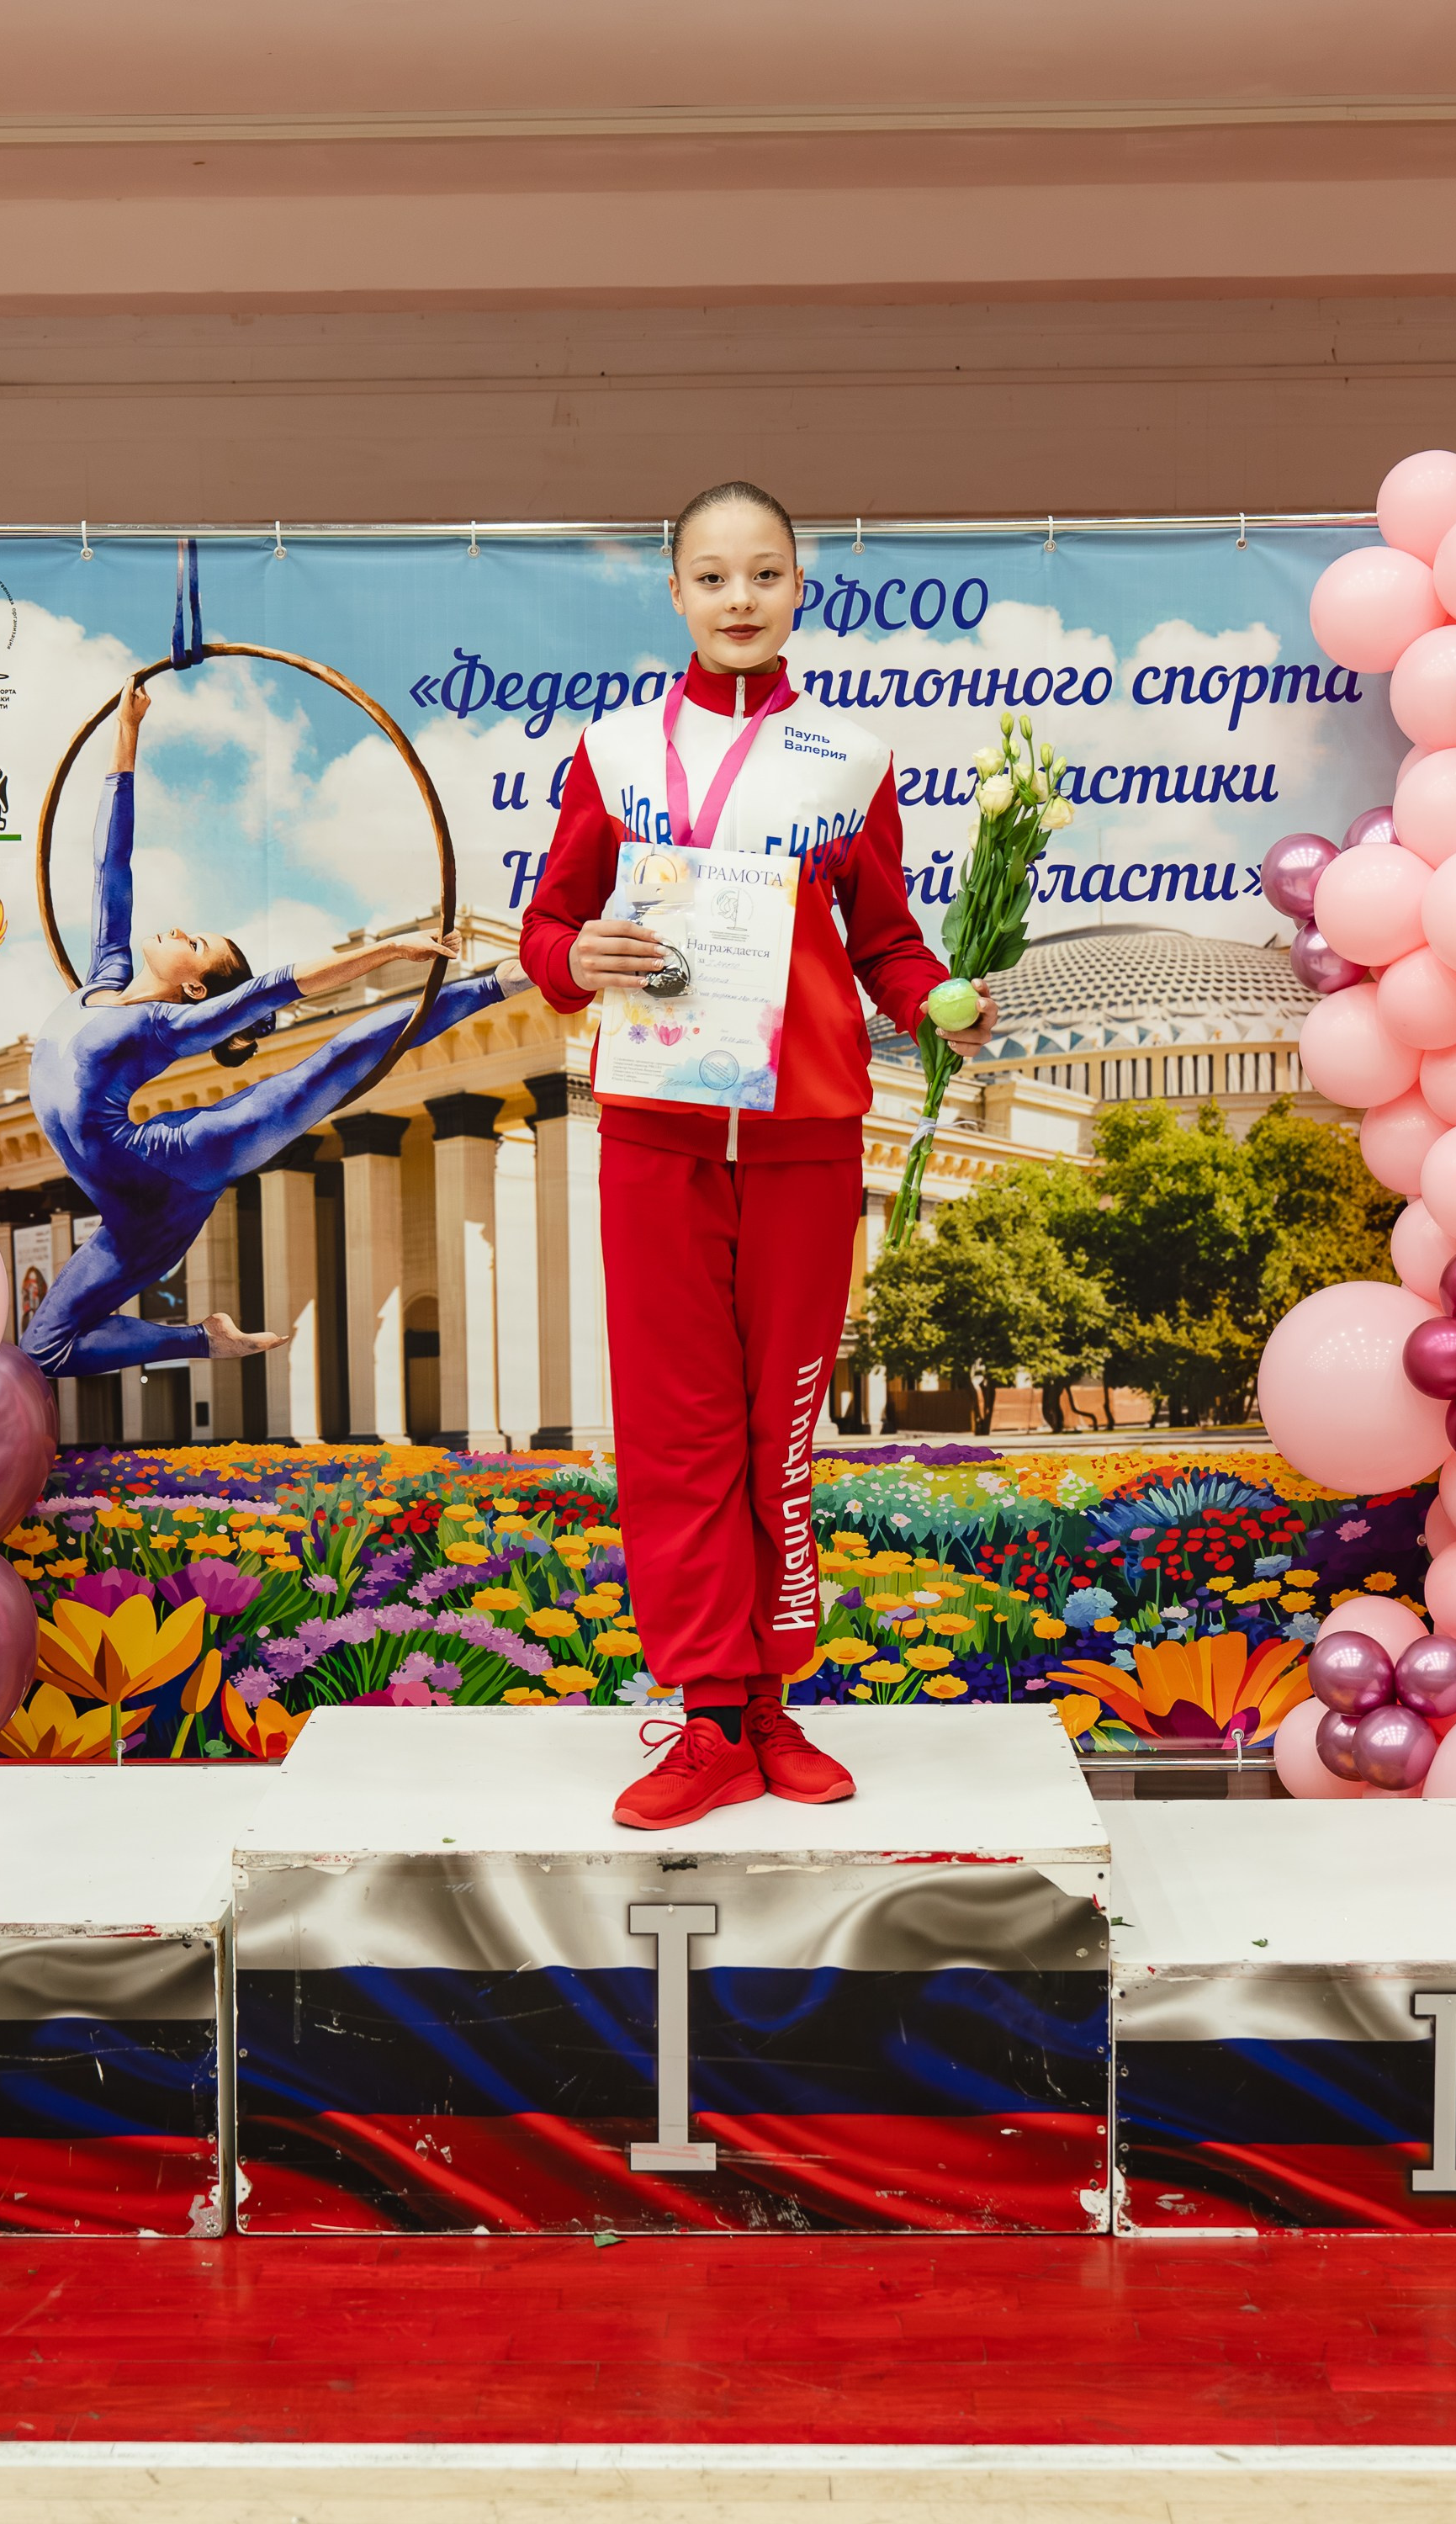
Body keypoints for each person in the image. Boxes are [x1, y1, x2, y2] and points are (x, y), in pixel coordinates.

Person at [521, 480, 994, 1829]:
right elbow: (549, 934)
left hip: (803, 1135)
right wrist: (579, 956)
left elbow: (888, 940)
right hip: (658, 1134)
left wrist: (936, 997)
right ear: (674, 593)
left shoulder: (849, 761)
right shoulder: (613, 753)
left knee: (777, 1434)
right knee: (677, 1435)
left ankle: (773, 1706)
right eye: (713, 577)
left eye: (765, 575)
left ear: (800, 591)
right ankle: (708, 1718)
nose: (740, 599)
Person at [24, 674, 529, 1381]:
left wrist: (387, 950)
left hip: (173, 1160)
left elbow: (276, 986)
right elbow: (113, 863)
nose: (179, 929)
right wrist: (128, 732)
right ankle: (206, 1340)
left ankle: (502, 981)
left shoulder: (168, 1025)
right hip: (129, 1220)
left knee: (323, 1072)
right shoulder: (104, 975)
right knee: (42, 1350)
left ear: (195, 986)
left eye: (195, 942)